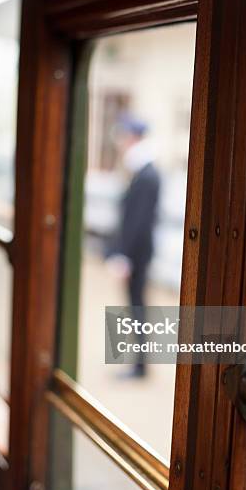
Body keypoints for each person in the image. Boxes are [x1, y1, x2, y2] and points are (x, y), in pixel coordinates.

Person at [105, 114, 160, 377]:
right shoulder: (141, 171)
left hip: (137, 254)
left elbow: (137, 221)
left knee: (137, 307)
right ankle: (138, 363)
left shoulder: (146, 175)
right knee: (135, 306)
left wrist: (124, 256)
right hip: (136, 253)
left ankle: (140, 366)